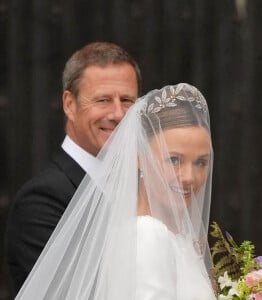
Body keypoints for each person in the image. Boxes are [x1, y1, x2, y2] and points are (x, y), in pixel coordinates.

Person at [15, 83, 216, 299]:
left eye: (201, 163)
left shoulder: (176, 237)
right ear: (140, 156)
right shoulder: (148, 236)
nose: (188, 177)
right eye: (173, 160)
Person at [5, 41, 141, 294]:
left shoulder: (146, 187)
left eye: (127, 100)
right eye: (102, 100)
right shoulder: (41, 202)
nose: (118, 114)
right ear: (69, 104)